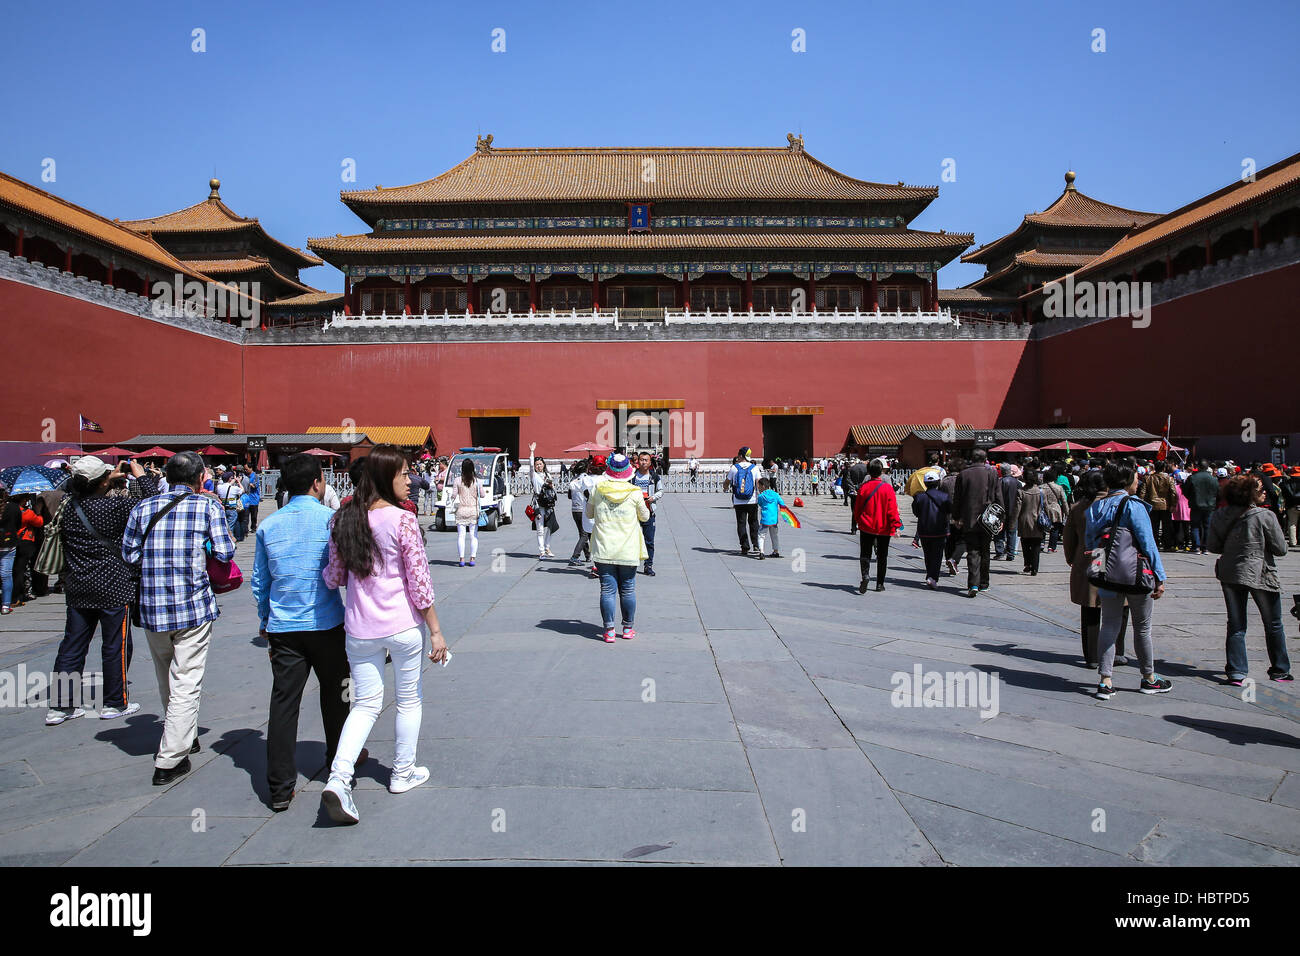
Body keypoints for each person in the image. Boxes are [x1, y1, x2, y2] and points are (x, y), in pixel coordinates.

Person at [320, 445, 448, 825]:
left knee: (364, 705)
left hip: (359, 629)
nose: (409, 481)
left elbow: (333, 577)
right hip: (402, 626)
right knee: (408, 700)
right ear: (384, 477)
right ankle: (402, 772)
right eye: (404, 474)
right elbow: (420, 585)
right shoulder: (402, 520)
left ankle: (339, 779)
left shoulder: (343, 519)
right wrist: (437, 631)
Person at [123, 451, 236, 785]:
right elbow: (225, 551)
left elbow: (129, 555)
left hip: (153, 607)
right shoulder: (207, 507)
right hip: (192, 605)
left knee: (166, 676)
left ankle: (183, 735)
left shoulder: (142, 508)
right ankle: (170, 759)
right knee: (186, 679)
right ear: (201, 477)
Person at [253, 454, 356, 812]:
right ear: (317, 483)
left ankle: (280, 787)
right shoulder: (331, 521)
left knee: (284, 704)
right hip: (327, 624)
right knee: (338, 697)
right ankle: (339, 765)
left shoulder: (268, 526)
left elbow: (260, 582)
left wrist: (266, 621)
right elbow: (344, 573)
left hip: (284, 629)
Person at [45, 457, 158, 725]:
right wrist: (139, 476)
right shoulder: (115, 506)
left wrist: (106, 479)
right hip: (113, 585)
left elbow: (77, 491)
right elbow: (154, 504)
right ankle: (114, 702)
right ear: (103, 482)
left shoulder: (69, 506)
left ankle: (60, 707)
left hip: (78, 585)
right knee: (115, 646)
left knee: (72, 645)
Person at [1085, 459, 1171, 699]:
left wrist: (1101, 569)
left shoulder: (1095, 507)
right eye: (1135, 477)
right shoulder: (1134, 506)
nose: (1138, 481)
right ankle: (1148, 677)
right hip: (1135, 576)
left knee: (1110, 624)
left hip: (1106, 575)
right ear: (1127, 480)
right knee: (1142, 628)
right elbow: (1148, 543)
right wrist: (1159, 576)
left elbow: (1091, 544)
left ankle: (1105, 680)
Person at [1207, 474, 1292, 683]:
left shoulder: (1219, 515)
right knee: (1273, 623)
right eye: (1260, 489)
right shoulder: (1265, 516)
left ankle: (1236, 670)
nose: (1264, 493)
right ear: (1249, 494)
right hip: (1259, 572)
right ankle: (1279, 669)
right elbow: (1281, 549)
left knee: (1236, 623)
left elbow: (1212, 546)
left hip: (1230, 572)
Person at [1064, 469, 1129, 668]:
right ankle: (1117, 651)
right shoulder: (1118, 504)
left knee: (1090, 608)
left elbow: (1069, 539)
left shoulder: (1077, 508)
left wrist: (1072, 558)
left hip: (1088, 561)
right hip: (1117, 561)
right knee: (1120, 607)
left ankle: (1092, 656)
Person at [586, 454, 649, 643]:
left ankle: (609, 631)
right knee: (628, 589)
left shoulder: (598, 489)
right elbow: (645, 517)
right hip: (628, 549)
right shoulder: (635, 492)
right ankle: (628, 628)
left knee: (607, 590)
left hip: (604, 547)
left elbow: (589, 513)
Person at [951, 450, 1000, 598]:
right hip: (988, 519)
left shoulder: (963, 474)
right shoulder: (992, 473)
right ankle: (984, 583)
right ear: (985, 459)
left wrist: (956, 517)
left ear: (971, 459)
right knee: (985, 550)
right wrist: (1001, 519)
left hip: (969, 518)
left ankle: (973, 584)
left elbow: (957, 499)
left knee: (972, 551)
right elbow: (998, 497)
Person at [852, 458, 901, 593]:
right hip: (884, 528)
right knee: (882, 556)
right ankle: (880, 584)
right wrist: (896, 525)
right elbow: (892, 509)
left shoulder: (864, 488)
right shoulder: (888, 488)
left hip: (866, 526)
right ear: (881, 472)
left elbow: (857, 509)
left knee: (865, 553)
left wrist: (858, 521)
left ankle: (865, 575)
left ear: (869, 472)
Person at [911, 470, 950, 588]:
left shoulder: (919, 497)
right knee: (937, 555)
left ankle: (930, 575)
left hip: (924, 529)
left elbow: (916, 512)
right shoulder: (944, 496)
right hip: (940, 530)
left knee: (928, 554)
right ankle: (933, 577)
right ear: (938, 482)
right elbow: (949, 510)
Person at [725, 447, 762, 556]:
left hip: (738, 501)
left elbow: (727, 481)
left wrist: (725, 487)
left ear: (740, 456)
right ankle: (756, 544)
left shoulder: (734, 468)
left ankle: (744, 547)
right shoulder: (754, 468)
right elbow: (759, 483)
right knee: (754, 522)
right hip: (752, 500)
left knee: (741, 524)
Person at [631, 451, 663, 575]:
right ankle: (632, 564)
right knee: (633, 539)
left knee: (649, 540)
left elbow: (661, 491)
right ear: (637, 462)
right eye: (641, 460)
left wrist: (653, 497)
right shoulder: (632, 477)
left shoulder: (654, 477)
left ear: (650, 462)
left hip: (649, 511)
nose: (643, 462)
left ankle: (648, 565)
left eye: (646, 460)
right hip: (634, 513)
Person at [568, 458, 600, 568]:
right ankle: (575, 556)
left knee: (584, 533)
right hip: (584, 509)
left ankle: (587, 555)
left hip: (575, 509)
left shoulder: (574, 479)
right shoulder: (587, 479)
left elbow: (569, 492)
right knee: (585, 534)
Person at [1014, 470, 1047, 576]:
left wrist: (1013, 521)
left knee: (1025, 544)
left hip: (1024, 521)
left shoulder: (1021, 491)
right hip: (1038, 522)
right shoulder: (1041, 491)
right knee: (1036, 545)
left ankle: (1028, 563)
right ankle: (1035, 568)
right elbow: (1045, 507)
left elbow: (1017, 509)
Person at [1185, 460, 1219, 554]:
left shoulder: (1192, 478)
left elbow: (1185, 490)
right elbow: (1218, 492)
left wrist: (1191, 498)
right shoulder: (1213, 479)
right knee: (1207, 526)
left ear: (1198, 467)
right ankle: (1205, 547)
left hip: (1196, 504)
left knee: (1195, 526)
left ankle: (1196, 547)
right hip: (1209, 505)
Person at [453, 458, 481, 567]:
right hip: (473, 510)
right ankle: (472, 558)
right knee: (474, 535)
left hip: (461, 510)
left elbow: (454, 495)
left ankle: (461, 559)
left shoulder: (457, 480)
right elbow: (482, 495)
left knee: (461, 536)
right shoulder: (477, 481)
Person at [756, 477, 788, 559]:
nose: (758, 488)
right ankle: (776, 551)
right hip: (774, 520)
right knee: (774, 535)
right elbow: (782, 503)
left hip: (765, 519)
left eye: (759, 486)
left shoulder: (761, 496)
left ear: (763, 486)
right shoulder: (775, 494)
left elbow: (760, 504)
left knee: (761, 535)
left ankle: (761, 552)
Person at [994, 464, 1021, 560]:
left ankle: (1000, 552)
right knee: (1012, 532)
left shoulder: (1000, 482)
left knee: (999, 532)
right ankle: (1010, 553)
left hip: (1001, 510)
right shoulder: (1017, 483)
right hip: (1014, 510)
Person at [1041, 467, 1068, 552]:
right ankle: (1051, 547)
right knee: (1055, 529)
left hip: (1043, 510)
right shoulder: (1058, 487)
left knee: (1042, 527)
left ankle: (1041, 544)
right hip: (1055, 509)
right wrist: (1067, 512)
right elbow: (1064, 501)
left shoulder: (1040, 487)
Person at [0, 484, 17, 614]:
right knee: (6, 575)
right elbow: (18, 523)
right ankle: (5, 605)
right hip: (8, 544)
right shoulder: (12, 507)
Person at [843, 457, 870, 531]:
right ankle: (863, 526)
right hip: (864, 492)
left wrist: (853, 488)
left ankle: (853, 528)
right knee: (864, 510)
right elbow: (868, 479)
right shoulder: (867, 468)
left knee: (854, 511)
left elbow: (848, 479)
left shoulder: (852, 468)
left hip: (854, 493)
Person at [1283, 465, 1300, 548]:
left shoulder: (1287, 483)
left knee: (1292, 524)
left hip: (1291, 505)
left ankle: (1293, 542)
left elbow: (1284, 494)